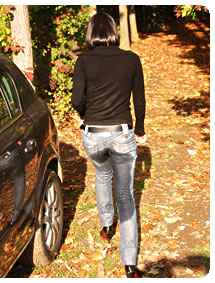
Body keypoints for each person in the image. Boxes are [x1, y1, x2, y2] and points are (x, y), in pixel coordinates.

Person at [72, 12, 146, 278]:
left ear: (91, 32)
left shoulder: (83, 61)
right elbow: (139, 99)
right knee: (125, 196)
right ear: (114, 31)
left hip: (93, 134)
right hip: (122, 134)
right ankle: (129, 264)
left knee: (103, 174)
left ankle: (106, 226)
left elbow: (76, 99)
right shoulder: (131, 59)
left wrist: (85, 115)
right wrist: (140, 130)